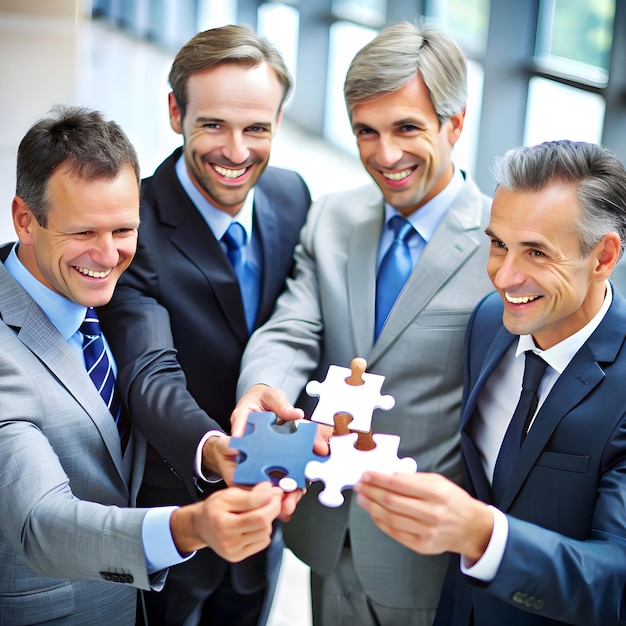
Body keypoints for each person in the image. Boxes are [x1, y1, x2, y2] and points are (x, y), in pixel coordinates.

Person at [234, 22, 494, 626]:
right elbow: (293, 324)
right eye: (366, 132)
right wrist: (263, 382)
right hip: (327, 539)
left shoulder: (500, 248)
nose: (385, 155)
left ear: (455, 125)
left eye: (408, 128)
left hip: (426, 552)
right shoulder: (331, 217)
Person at [0, 105, 284, 626]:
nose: (108, 256)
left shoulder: (94, 293)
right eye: (84, 232)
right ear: (25, 219)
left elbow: (152, 373)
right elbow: (41, 523)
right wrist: (189, 528)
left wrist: (221, 451)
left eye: (123, 230)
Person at [354, 139, 626, 626]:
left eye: (537, 253)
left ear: (603, 257)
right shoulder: (487, 324)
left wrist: (485, 536)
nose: (503, 277)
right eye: (499, 243)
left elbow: (617, 579)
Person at [98, 24, 310, 626]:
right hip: (174, 518)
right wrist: (218, 453)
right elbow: (149, 374)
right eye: (214, 124)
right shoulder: (131, 224)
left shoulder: (292, 196)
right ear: (175, 113)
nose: (237, 151)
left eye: (258, 128)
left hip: (265, 514)